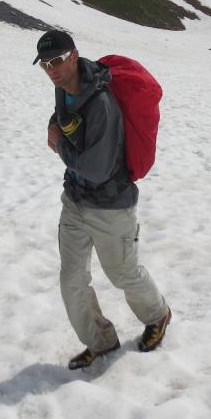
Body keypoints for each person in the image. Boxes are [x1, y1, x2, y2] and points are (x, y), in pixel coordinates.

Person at [35, 29, 172, 370]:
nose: (51, 69)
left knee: (122, 273)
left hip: (111, 205)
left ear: (74, 56)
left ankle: (158, 315)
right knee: (71, 279)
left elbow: (96, 169)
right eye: (44, 64)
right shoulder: (63, 86)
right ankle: (100, 341)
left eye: (57, 60)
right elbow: (64, 119)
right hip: (75, 200)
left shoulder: (102, 104)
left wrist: (59, 144)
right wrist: (57, 126)